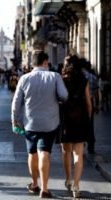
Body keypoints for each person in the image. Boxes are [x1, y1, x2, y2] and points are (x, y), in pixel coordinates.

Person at [11, 51, 68, 198]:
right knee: (45, 152)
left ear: (33, 63)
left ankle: (34, 184)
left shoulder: (24, 78)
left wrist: (14, 119)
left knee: (32, 153)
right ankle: (45, 188)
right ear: (46, 62)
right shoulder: (55, 77)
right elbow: (64, 95)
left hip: (30, 122)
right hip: (50, 122)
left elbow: (16, 102)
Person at [60, 55, 92, 198]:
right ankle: (76, 186)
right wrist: (88, 118)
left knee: (66, 151)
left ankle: (68, 179)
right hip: (80, 119)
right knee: (78, 154)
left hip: (65, 120)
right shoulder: (84, 80)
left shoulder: (62, 80)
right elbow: (89, 103)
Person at [81, 59, 99, 154]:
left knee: (80, 124)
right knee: (90, 125)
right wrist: (97, 104)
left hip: (80, 102)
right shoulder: (92, 77)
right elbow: (96, 93)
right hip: (90, 101)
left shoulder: (78, 76)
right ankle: (91, 146)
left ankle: (80, 143)